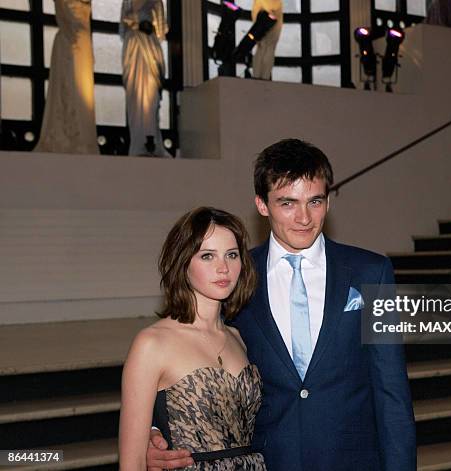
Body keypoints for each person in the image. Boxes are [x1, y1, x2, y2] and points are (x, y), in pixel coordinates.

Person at [147, 139, 417, 471]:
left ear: (328, 201)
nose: (304, 218)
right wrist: (156, 430)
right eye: (288, 203)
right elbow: (181, 350)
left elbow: (392, 391)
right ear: (262, 204)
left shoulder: (371, 272)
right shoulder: (234, 275)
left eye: (314, 201)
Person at [119, 207, 265, 470]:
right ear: (183, 262)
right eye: (207, 256)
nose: (223, 268)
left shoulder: (238, 337)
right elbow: (132, 463)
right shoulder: (152, 343)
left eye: (231, 255)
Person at [35, 0, 98, 154]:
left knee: (84, 92)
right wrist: (73, 37)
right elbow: (64, 13)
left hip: (82, 41)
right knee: (70, 86)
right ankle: (72, 136)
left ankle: (83, 137)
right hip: (71, 40)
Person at [120, 0, 169, 157]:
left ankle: (151, 140)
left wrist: (145, 25)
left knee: (150, 96)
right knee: (135, 96)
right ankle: (138, 141)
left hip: (147, 47)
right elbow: (122, 28)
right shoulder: (126, 2)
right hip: (133, 47)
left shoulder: (156, 2)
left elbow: (161, 31)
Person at [251, 0, 283, 80]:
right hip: (268, 22)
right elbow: (274, 6)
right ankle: (263, 77)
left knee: (265, 49)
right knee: (267, 49)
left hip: (267, 23)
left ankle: (260, 77)